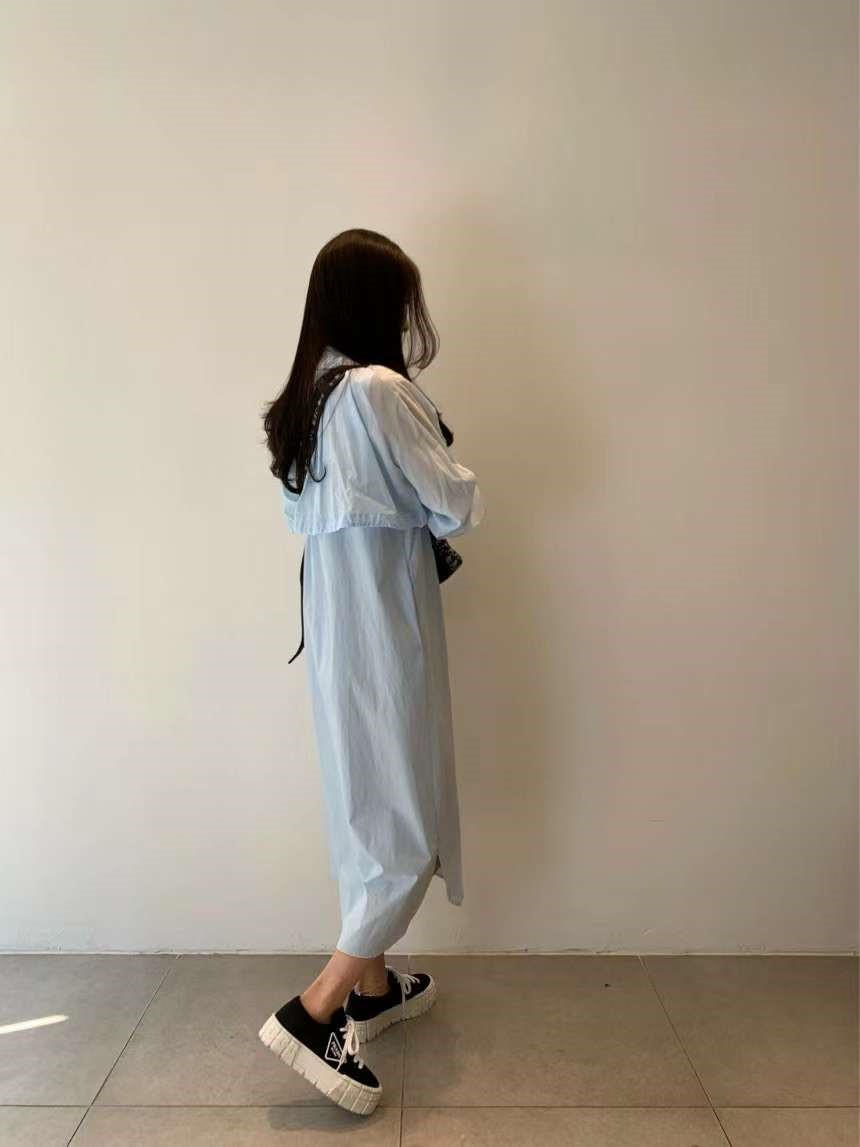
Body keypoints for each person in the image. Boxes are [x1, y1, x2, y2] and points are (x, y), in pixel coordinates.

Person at [258, 228, 484, 1115]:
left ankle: (376, 988)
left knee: (365, 797)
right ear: (376, 304)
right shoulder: (382, 391)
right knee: (404, 812)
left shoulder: (308, 397)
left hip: (334, 620)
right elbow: (454, 502)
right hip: (387, 621)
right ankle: (317, 1008)